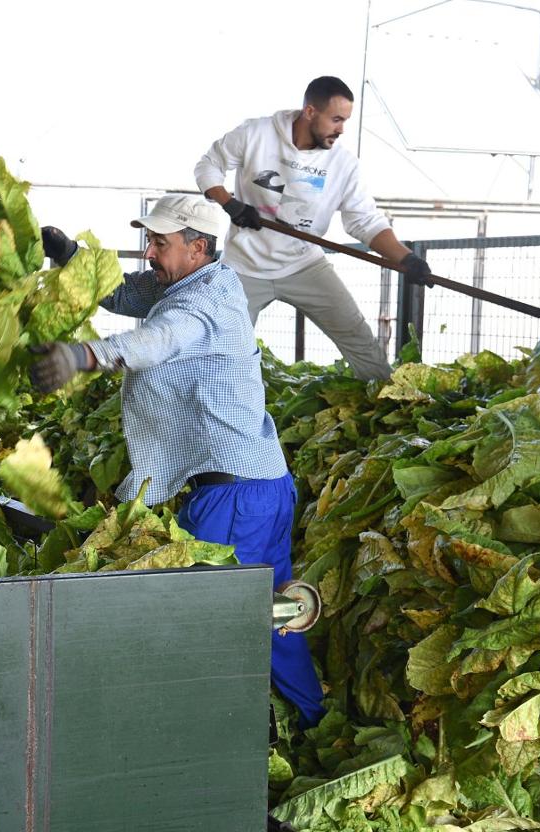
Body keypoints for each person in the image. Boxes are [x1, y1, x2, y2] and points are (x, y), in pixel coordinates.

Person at [34, 195, 325, 727]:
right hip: (256, 488)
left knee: (202, 623)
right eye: (149, 241)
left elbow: (157, 340)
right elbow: (121, 294)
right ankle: (310, 722)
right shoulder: (182, 284)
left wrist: (84, 355)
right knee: (272, 616)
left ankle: (216, 738)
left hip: (234, 498)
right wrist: (71, 255)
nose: (149, 252)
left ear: (198, 247)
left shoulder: (203, 303)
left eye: (160, 243)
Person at [194, 75, 433, 381]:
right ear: (310, 112)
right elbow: (207, 165)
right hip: (243, 267)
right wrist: (231, 204)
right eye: (335, 119)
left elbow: (365, 221)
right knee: (216, 351)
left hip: (304, 264)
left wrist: (406, 259)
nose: (341, 129)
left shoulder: (343, 164)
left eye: (345, 120)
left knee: (358, 336)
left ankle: (391, 400)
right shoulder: (256, 134)